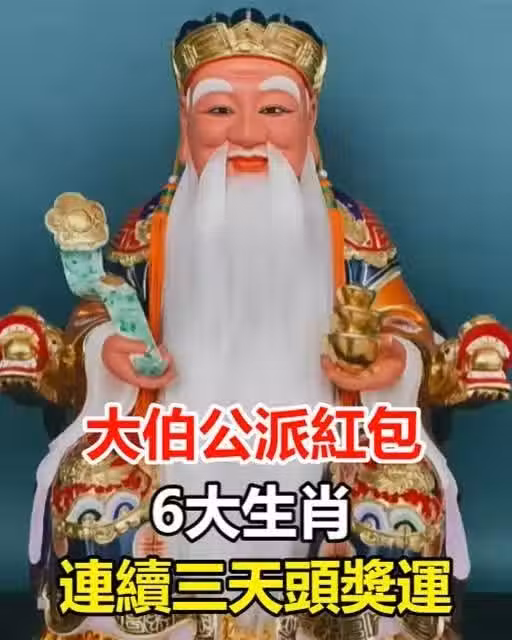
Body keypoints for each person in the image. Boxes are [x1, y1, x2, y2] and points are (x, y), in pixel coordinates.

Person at [2, 8, 511, 640]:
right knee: (92, 484)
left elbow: (405, 325)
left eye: (274, 110)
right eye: (219, 110)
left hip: (321, 451)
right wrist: (107, 348)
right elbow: (91, 318)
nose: (246, 134)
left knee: (397, 492)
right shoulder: (150, 230)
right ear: (186, 120)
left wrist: (390, 362)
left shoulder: (350, 231)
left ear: (309, 118)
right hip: (173, 453)